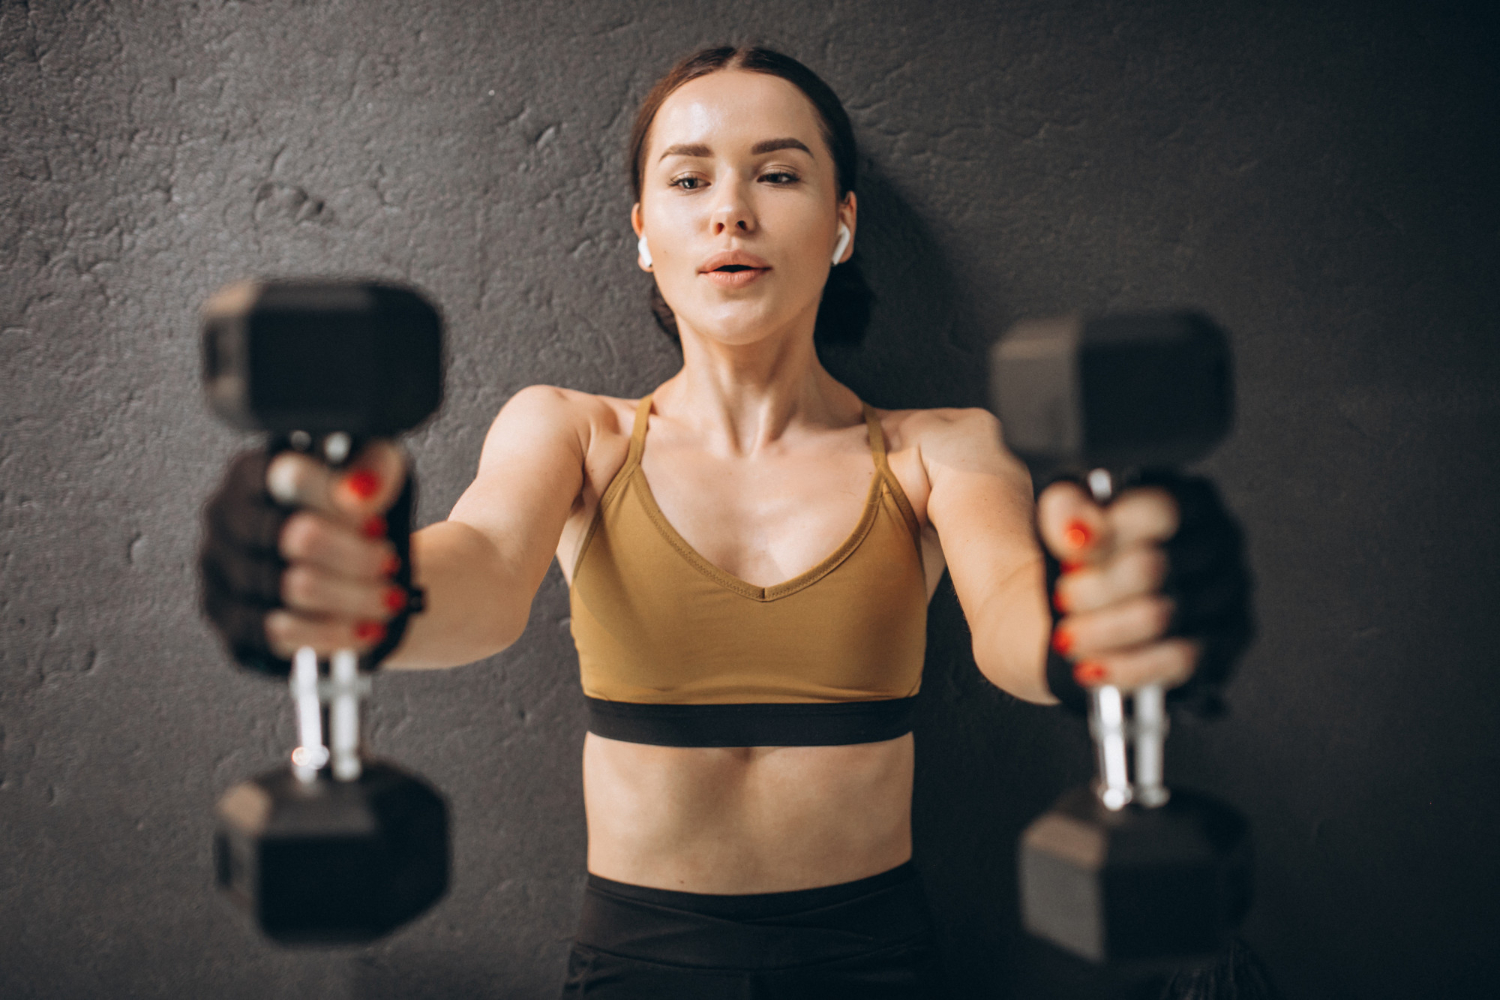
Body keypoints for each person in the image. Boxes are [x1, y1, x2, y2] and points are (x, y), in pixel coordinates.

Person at [200, 45, 1249, 999]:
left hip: (873, 956)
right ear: (644, 234)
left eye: (778, 174)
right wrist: (344, 575)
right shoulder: (573, 432)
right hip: (639, 958)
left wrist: (1103, 623)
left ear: (841, 224)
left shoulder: (940, 446)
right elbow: (478, 571)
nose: (730, 211)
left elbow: (1022, 620)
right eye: (690, 178)